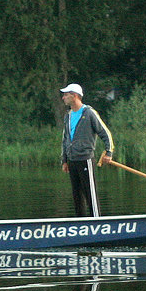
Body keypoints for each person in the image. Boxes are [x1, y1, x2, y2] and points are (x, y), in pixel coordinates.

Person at [59, 82, 114, 217]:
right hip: (72, 160)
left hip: (85, 159)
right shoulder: (68, 116)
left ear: (75, 96)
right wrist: (64, 160)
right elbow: (65, 139)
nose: (63, 98)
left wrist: (109, 152)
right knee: (76, 195)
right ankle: (81, 224)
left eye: (66, 95)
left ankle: (96, 221)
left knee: (90, 194)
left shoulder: (89, 113)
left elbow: (105, 133)